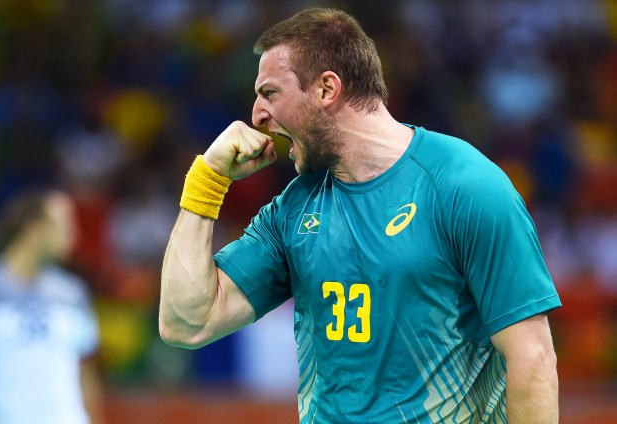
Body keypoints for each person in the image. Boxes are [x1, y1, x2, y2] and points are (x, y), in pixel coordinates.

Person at [160, 7, 561, 423]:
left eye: (270, 93)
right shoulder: (294, 207)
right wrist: (206, 180)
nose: (257, 115)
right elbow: (186, 323)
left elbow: (532, 358)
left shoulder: (464, 185)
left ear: (326, 88)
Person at [0, 189, 105, 424]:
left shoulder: (73, 294)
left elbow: (86, 374)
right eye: (65, 225)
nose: (74, 235)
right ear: (34, 227)